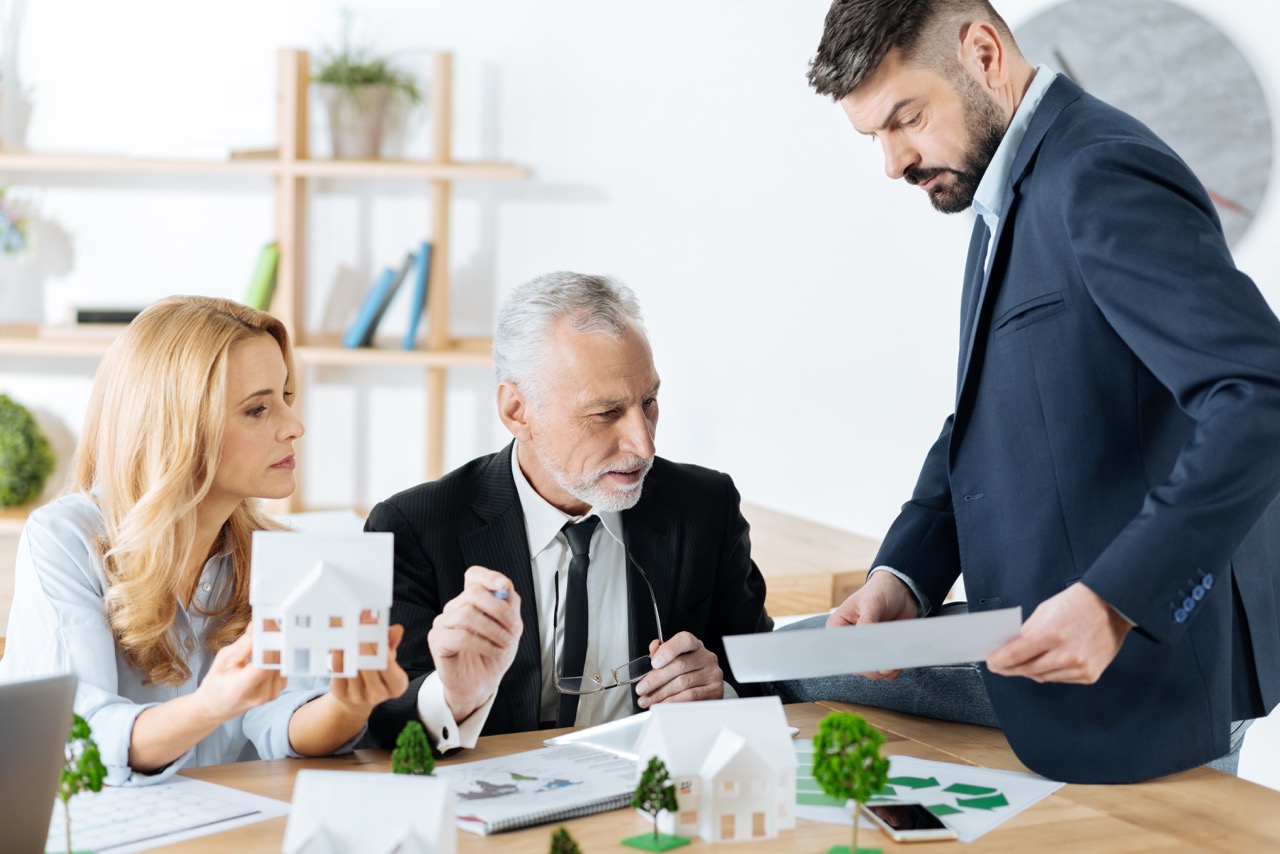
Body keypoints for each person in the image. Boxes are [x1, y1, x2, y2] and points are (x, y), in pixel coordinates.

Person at [784, 0, 1280, 783]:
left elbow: (1258, 395)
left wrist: (1117, 598)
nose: (892, 162)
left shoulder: (1099, 171)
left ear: (983, 53)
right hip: (1045, 655)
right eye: (873, 136)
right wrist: (903, 577)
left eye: (906, 119)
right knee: (790, 662)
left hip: (1148, 662)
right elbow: (985, 416)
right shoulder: (1002, 185)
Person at [0, 295, 409, 785]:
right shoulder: (66, 540)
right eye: (257, 409)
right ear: (177, 427)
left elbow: (283, 721)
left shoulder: (270, 552)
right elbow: (83, 741)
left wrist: (348, 703)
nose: (294, 428)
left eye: (285, 398)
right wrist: (212, 704)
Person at [363, 271, 773, 753]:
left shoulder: (705, 506)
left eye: (649, 402)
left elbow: (766, 679)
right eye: (605, 413)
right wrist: (452, 697)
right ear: (518, 410)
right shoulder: (413, 528)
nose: (643, 443)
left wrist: (717, 694)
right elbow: (380, 717)